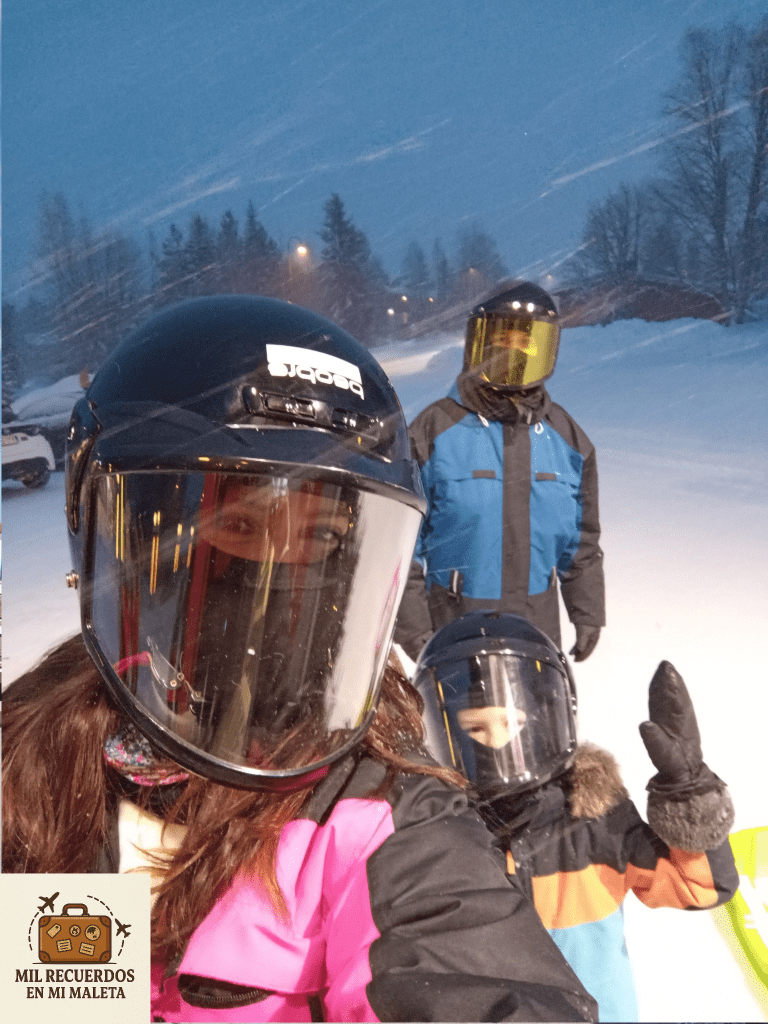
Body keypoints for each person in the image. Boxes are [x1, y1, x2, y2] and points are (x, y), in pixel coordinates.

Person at [2, 295, 599, 1024]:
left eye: (318, 536)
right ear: (132, 539)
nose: (280, 568)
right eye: (240, 523)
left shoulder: (373, 802)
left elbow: (466, 955)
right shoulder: (27, 767)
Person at [413, 610, 739, 1023]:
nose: (498, 743)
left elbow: (701, 887)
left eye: (512, 723)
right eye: (475, 729)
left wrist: (689, 799)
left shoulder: (594, 820)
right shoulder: (436, 836)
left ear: (546, 718)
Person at [395, 281, 604, 665]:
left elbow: (581, 543)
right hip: (453, 636)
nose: (512, 351)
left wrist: (587, 612)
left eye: (525, 342)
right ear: (479, 344)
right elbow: (399, 545)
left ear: (544, 349)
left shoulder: (569, 441)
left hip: (536, 638)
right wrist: (416, 632)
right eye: (502, 339)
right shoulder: (432, 432)